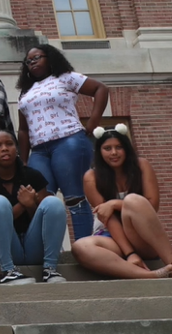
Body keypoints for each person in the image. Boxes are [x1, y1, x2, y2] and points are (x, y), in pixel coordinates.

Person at [71, 125, 172, 280]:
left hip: (141, 236)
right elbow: (108, 219)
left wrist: (114, 203)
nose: (114, 153)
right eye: (107, 148)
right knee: (80, 247)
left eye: (119, 147)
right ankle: (151, 275)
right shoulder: (91, 177)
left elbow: (151, 205)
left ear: (126, 148)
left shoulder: (142, 166)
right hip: (111, 237)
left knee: (133, 200)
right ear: (99, 152)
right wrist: (130, 254)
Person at [16, 44, 109, 240]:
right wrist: (23, 161)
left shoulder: (66, 77)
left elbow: (101, 88)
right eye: (28, 61)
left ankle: (84, 247)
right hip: (39, 150)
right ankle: (50, 254)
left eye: (37, 58)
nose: (32, 63)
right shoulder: (25, 92)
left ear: (50, 58)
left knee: (74, 197)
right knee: (41, 201)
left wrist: (92, 122)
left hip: (68, 141)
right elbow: (23, 129)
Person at [0, 129, 67, 285]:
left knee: (53, 202)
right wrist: (22, 205)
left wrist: (31, 206)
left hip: (33, 247)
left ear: (17, 149)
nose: (4, 148)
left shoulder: (33, 176)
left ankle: (50, 270)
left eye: (9, 144)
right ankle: (7, 271)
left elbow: (48, 218)